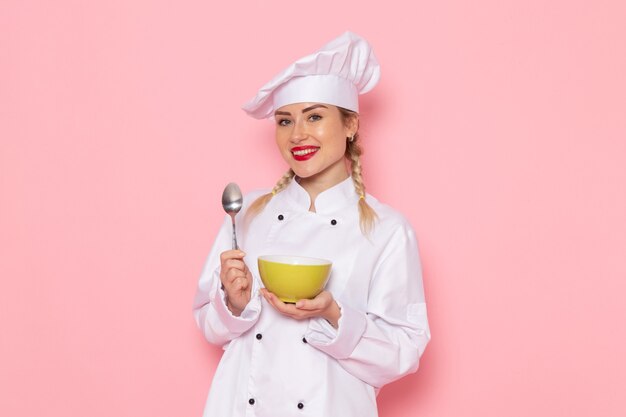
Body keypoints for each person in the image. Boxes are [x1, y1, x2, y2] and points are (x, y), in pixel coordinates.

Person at [193, 31, 430, 417]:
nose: (297, 135)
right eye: (285, 121)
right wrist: (233, 305)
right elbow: (208, 324)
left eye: (315, 117)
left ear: (351, 124)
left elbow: (404, 352)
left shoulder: (388, 230)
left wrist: (333, 314)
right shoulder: (247, 212)